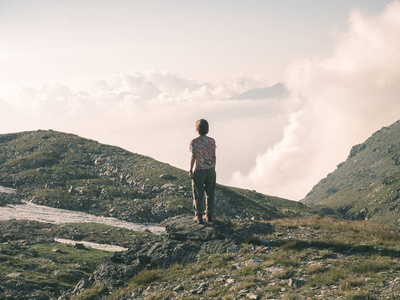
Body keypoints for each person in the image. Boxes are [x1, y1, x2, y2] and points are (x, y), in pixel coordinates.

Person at [189, 119, 217, 224]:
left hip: (200, 170)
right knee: (210, 193)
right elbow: (214, 156)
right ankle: (209, 215)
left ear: (197, 129)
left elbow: (193, 156)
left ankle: (199, 216)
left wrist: (190, 170)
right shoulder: (212, 141)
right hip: (210, 170)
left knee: (198, 193)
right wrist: (213, 167)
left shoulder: (194, 142)